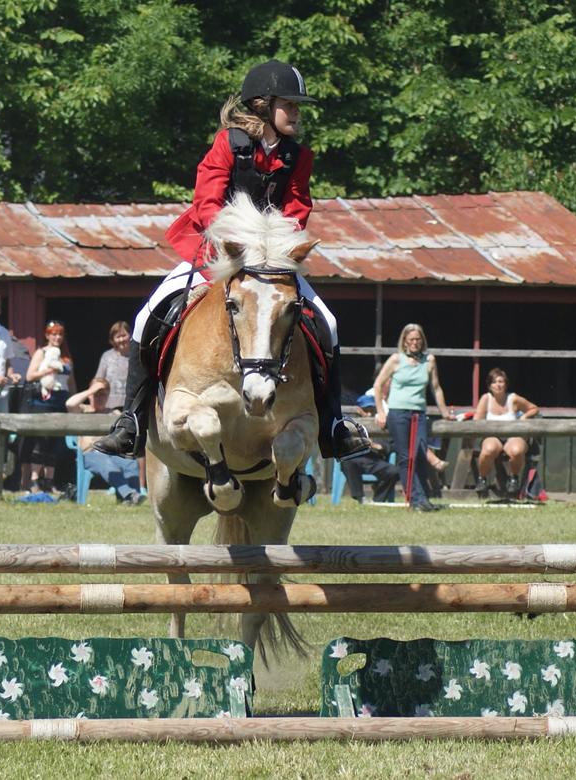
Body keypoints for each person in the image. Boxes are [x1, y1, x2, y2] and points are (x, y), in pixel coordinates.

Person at [93, 59, 369, 463]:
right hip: (217, 253)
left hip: (271, 261)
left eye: (296, 107)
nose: (296, 113)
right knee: (145, 316)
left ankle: (332, 425)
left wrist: (274, 244)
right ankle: (131, 422)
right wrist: (234, 241)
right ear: (262, 105)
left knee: (327, 321)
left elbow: (297, 206)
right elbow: (206, 202)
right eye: (289, 105)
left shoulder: (298, 156)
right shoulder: (228, 144)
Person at [373, 324, 451, 512]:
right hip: (398, 413)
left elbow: (436, 387)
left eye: (418, 340)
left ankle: (423, 498)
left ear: (422, 340)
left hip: (419, 413)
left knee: (421, 453)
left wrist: (445, 412)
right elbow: (378, 385)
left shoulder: (429, 360)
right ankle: (416, 499)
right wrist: (381, 412)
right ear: (405, 342)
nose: (415, 343)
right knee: (405, 456)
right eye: (411, 340)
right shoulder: (395, 360)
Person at [66, 377, 145, 505]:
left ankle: (132, 498)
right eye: (96, 394)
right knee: (107, 463)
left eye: (103, 395)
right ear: (90, 395)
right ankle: (129, 495)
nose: (100, 398)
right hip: (90, 454)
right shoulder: (82, 410)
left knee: (129, 461)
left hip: (112, 453)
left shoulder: (112, 413)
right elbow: (70, 404)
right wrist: (91, 390)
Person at [20, 320, 76, 494]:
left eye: (60, 334)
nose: (57, 337)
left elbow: (71, 381)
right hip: (43, 401)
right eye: (53, 334)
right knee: (40, 441)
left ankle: (49, 481)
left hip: (60, 399)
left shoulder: (65, 356)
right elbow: (29, 376)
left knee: (55, 442)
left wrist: (74, 401)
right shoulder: (41, 352)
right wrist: (48, 371)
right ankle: (34, 480)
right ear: (47, 335)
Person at [473, 367, 539, 497]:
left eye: (501, 382)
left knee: (517, 450)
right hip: (492, 435)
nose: (498, 385)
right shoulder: (486, 399)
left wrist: (524, 417)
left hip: (513, 435)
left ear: (505, 384)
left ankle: (513, 478)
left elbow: (533, 408)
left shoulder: (513, 398)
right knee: (489, 449)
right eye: (494, 382)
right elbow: (477, 420)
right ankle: (482, 479)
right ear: (489, 385)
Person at [341, 392, 400, 503]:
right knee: (346, 461)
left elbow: (393, 445)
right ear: (359, 410)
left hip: (375, 460)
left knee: (395, 472)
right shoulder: (350, 425)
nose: (369, 413)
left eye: (372, 410)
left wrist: (378, 446)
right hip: (356, 459)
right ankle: (360, 498)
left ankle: (378, 500)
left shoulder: (382, 424)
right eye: (366, 410)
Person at [95, 321, 132, 411]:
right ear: (113, 340)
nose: (121, 339)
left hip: (130, 405)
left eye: (124, 335)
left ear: (130, 336)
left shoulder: (136, 356)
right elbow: (99, 380)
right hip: (110, 406)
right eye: (118, 337)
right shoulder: (107, 356)